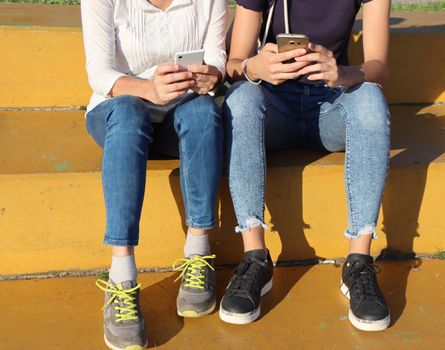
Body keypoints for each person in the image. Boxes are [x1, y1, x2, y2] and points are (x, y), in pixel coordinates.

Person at [222, 0, 391, 331]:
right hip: (274, 109)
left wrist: (345, 73)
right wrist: (255, 68)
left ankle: (359, 261)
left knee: (370, 97)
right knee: (241, 99)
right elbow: (233, 66)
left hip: (331, 108)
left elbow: (379, 66)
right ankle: (255, 256)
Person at [81, 0, 227, 348]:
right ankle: (121, 278)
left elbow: (217, 57)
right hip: (119, 110)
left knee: (203, 112)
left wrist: (211, 76)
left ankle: (198, 253)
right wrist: (148, 89)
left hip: (181, 111)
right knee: (130, 112)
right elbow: (99, 73)